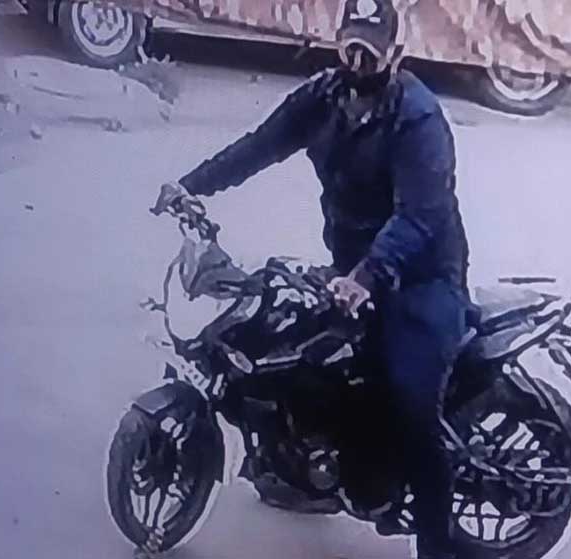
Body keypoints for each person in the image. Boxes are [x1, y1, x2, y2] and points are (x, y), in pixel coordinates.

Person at [151, 1, 471, 557]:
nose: (357, 60)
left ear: (395, 53)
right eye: (351, 45)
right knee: (287, 354)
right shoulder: (324, 96)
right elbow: (260, 145)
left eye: (370, 51)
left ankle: (437, 546)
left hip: (420, 279)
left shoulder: (418, 119)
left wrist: (368, 274)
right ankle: (300, 475)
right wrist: (192, 185)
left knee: (410, 404)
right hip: (351, 268)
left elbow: (420, 216)